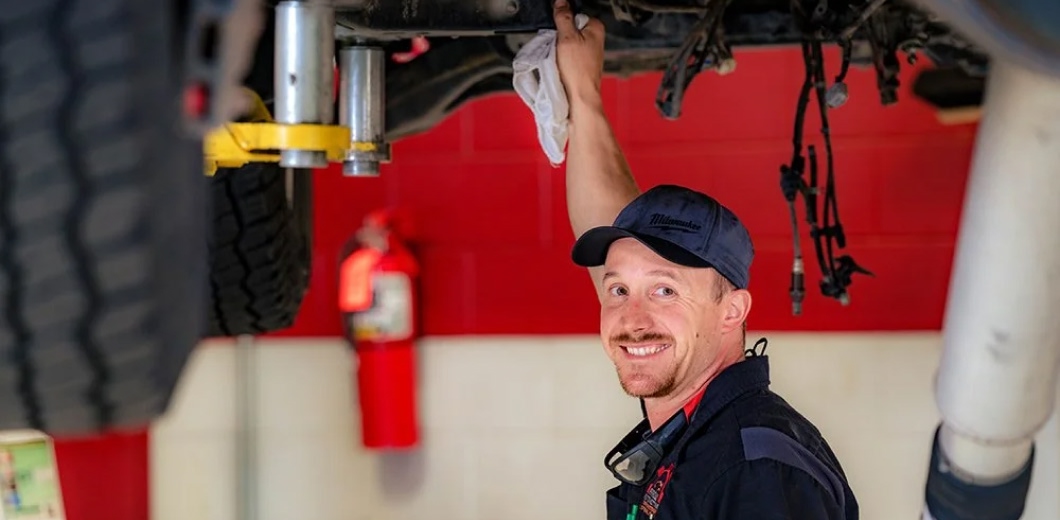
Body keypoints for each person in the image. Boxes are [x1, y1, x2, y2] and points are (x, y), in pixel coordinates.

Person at [551, 1, 860, 519]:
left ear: (731, 310)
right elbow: (607, 225)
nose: (632, 320)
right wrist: (583, 93)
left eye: (665, 290)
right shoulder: (698, 427)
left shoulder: (753, 468)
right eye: (618, 290)